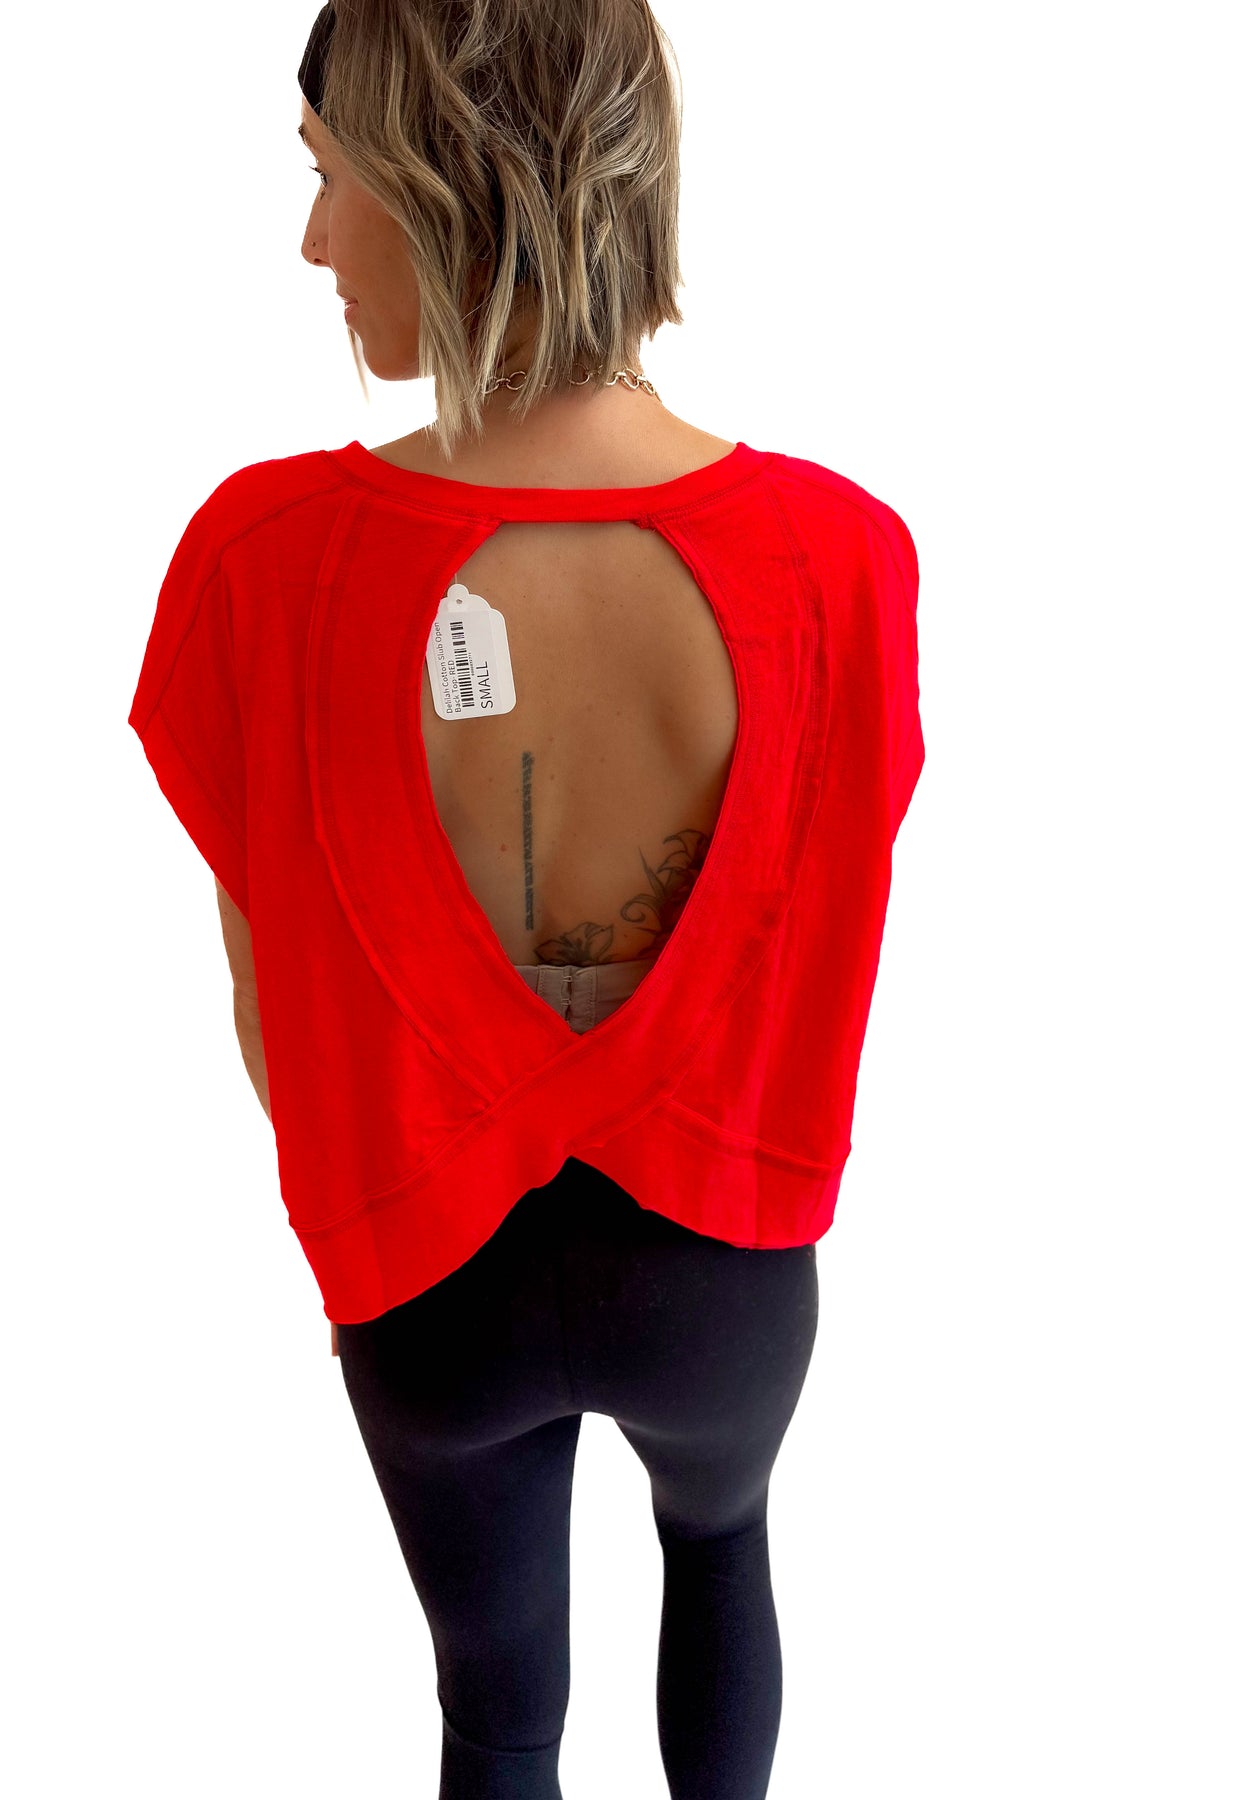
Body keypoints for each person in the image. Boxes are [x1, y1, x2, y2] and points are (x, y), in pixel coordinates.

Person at [135, 4, 924, 1796]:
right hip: (725, 1273)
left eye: (330, 180)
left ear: (448, 187)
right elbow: (818, 923)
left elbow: (272, 1020)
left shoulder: (261, 567)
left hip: (426, 1282)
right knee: (722, 1551)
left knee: (496, 1713)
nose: (312, 244)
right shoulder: (841, 560)